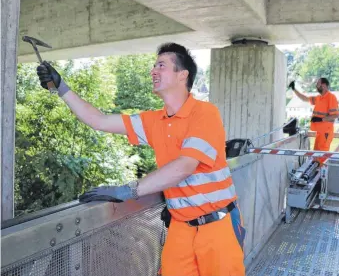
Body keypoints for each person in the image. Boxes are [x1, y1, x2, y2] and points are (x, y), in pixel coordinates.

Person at [37, 43, 245, 276]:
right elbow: (100, 121)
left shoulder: (205, 113)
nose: (153, 71)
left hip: (218, 227)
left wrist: (129, 190)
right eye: (154, 65)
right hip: (181, 227)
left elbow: (185, 166)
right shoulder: (154, 121)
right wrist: (61, 87)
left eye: (161, 66)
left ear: (182, 75)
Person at [289, 78, 339, 157]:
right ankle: (317, 169)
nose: (316, 86)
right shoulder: (319, 98)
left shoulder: (331, 97)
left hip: (326, 132)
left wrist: (321, 119)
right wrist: (294, 89)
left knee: (322, 156)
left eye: (318, 84)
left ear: (324, 85)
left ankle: (320, 169)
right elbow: (304, 98)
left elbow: (335, 115)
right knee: (316, 155)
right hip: (320, 132)